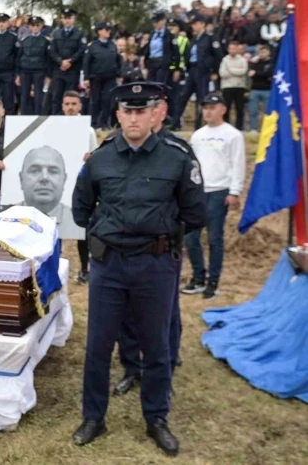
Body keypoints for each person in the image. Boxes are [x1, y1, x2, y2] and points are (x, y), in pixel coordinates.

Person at [71, 82, 206, 456]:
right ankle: (93, 417)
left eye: (140, 111)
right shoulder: (100, 159)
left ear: (154, 114)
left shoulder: (177, 157)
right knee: (98, 346)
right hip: (109, 266)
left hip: (155, 265)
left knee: (157, 346)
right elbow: (80, 208)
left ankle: (156, 418)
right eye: (126, 111)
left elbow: (195, 213)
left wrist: (158, 234)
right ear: (117, 115)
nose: (133, 118)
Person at [113, 82, 201, 396]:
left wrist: (168, 234)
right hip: (122, 249)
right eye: (132, 108)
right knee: (125, 312)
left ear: (160, 111)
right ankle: (130, 367)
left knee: (165, 314)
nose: (144, 113)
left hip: (161, 250)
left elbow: (192, 207)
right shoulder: (117, 145)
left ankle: (165, 364)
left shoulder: (177, 150)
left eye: (152, 106)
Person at [182, 92, 245, 299]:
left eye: (212, 107)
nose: (208, 111)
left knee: (215, 238)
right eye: (205, 107)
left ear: (223, 110)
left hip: (220, 191)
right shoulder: (198, 135)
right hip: (198, 191)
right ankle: (198, 276)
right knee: (191, 237)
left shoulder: (233, 135)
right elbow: (191, 164)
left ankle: (213, 281)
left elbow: (238, 163)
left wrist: (234, 191)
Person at [61, 91, 98, 284]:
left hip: (81, 186)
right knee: (55, 230)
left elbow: (96, 155)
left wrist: (89, 157)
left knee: (81, 230)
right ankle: (54, 267)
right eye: (67, 104)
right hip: (59, 184)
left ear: (80, 106)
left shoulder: (88, 130)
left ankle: (85, 268)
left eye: (74, 104)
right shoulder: (54, 126)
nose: (70, 107)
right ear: (62, 106)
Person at [174, 15, 222, 130]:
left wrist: (215, 71)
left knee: (202, 98)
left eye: (195, 24)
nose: (193, 26)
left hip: (203, 71)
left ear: (202, 24)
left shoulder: (210, 38)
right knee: (183, 95)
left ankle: (199, 125)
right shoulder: (194, 39)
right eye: (193, 24)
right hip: (192, 70)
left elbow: (218, 55)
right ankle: (175, 122)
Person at [82, 22, 121, 130]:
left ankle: (104, 123)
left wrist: (119, 74)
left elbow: (118, 60)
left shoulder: (112, 45)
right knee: (96, 101)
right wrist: (86, 77)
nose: (108, 32)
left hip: (110, 77)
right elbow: (87, 62)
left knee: (107, 100)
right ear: (99, 31)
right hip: (96, 77)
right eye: (106, 30)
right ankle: (94, 123)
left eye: (109, 30)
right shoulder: (92, 46)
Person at [49, 8, 86, 115]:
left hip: (72, 70)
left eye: (69, 18)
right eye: (65, 18)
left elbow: (81, 50)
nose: (67, 21)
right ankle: (56, 119)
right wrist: (61, 62)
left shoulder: (79, 34)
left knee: (72, 97)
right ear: (62, 19)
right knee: (56, 97)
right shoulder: (56, 34)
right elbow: (52, 51)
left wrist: (71, 61)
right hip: (59, 70)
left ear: (73, 19)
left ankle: (71, 120)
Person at [17, 16, 50, 116]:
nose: (35, 28)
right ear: (29, 27)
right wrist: (18, 74)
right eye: (33, 25)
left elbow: (48, 59)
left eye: (37, 25)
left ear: (41, 26)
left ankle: (38, 117)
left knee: (38, 96)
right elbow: (19, 57)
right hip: (25, 71)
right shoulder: (24, 40)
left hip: (39, 71)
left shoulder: (45, 41)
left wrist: (48, 75)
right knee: (24, 96)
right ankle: (24, 116)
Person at [142, 11, 180, 84]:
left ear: (163, 21)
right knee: (150, 85)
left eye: (157, 22)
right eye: (154, 22)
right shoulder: (152, 34)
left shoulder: (170, 35)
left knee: (159, 86)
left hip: (162, 63)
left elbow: (176, 52)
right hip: (152, 63)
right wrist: (146, 65)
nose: (155, 24)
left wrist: (176, 68)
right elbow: (148, 50)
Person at [218, 40, 248, 130]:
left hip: (239, 86)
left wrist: (230, 70)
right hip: (227, 86)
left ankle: (239, 128)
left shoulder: (242, 60)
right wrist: (235, 71)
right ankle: (225, 127)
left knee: (240, 109)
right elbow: (222, 73)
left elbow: (243, 71)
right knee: (226, 108)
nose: (232, 50)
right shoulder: (225, 60)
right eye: (231, 48)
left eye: (234, 48)